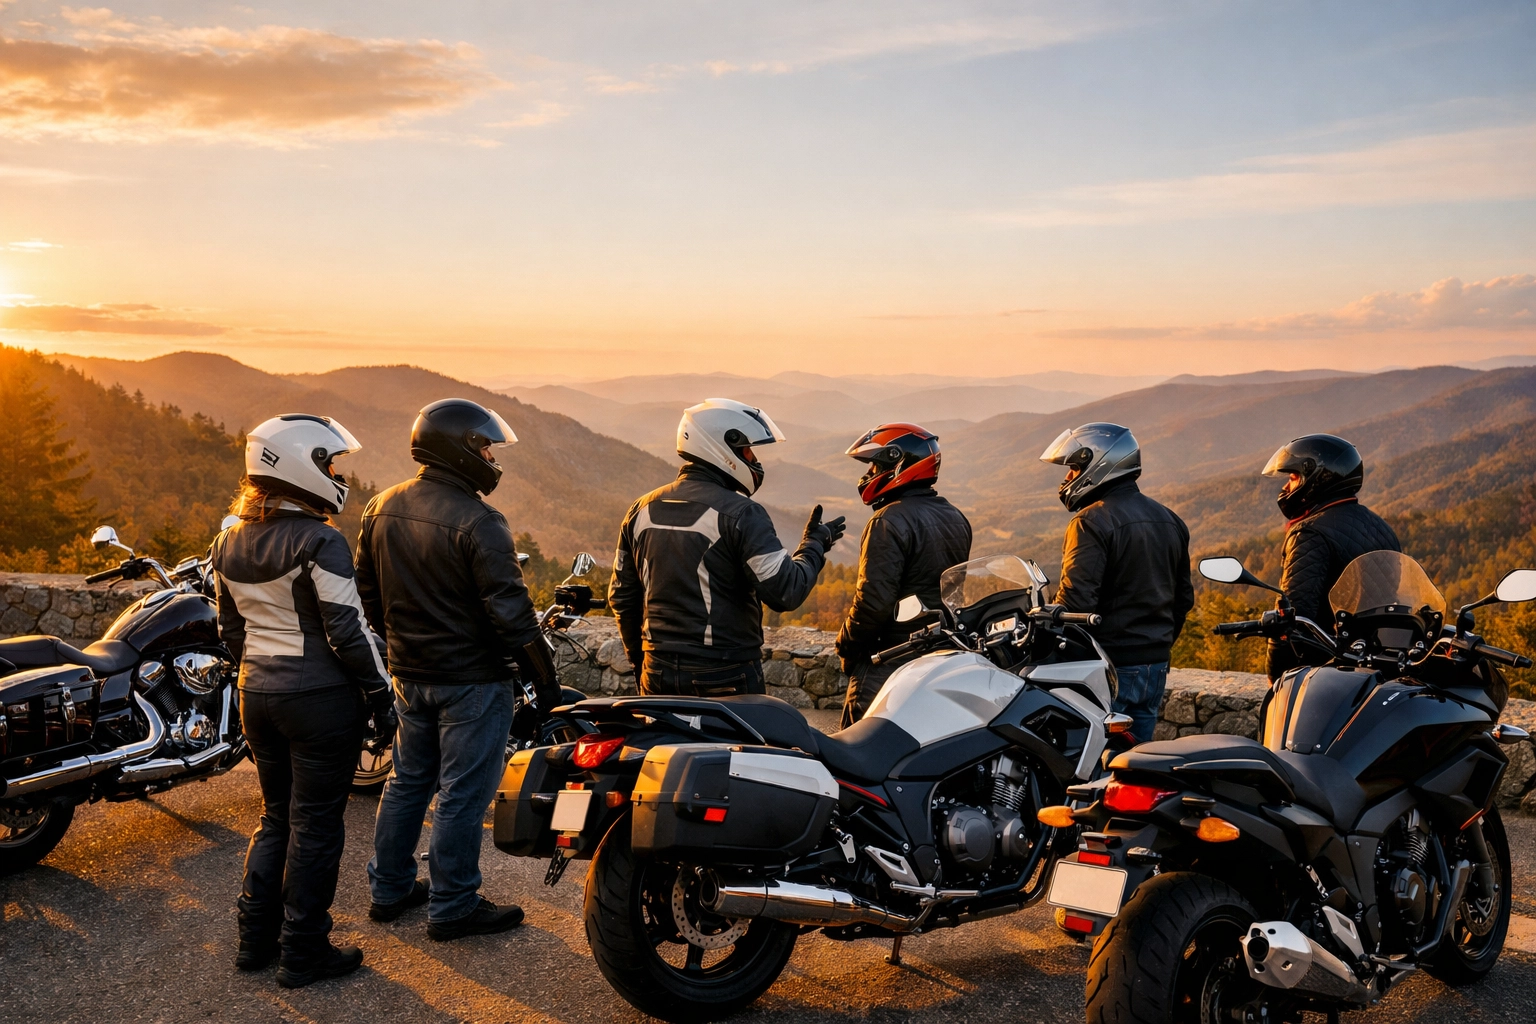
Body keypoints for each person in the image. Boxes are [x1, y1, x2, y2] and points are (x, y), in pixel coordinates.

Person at [355, 398, 560, 942]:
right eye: (486, 446)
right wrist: (546, 681)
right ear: (462, 448)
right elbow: (512, 615)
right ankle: (453, 905)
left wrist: (402, 648)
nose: (493, 456)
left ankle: (390, 888)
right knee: (463, 794)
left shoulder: (380, 507)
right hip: (472, 681)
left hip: (409, 674)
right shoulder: (480, 520)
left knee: (406, 784)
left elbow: (368, 598)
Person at [210, 414, 394, 988]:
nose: (338, 472)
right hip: (317, 699)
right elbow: (348, 629)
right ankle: (304, 951)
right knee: (315, 826)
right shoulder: (320, 539)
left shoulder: (227, 540)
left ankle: (253, 940)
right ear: (300, 465)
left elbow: (230, 630)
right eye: (330, 462)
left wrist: (256, 671)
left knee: (275, 817)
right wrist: (380, 693)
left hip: (255, 694)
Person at [609, 398, 845, 696]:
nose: (754, 460)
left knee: (660, 744)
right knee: (739, 745)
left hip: (656, 671)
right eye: (748, 450)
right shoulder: (742, 514)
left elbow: (622, 597)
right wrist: (814, 545)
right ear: (721, 447)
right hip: (726, 674)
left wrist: (639, 660)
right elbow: (786, 591)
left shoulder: (639, 510)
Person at [1040, 422, 1193, 743]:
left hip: (1110, 666)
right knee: (1136, 767)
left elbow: (1076, 605)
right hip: (1155, 665)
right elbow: (1183, 600)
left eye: (1073, 469)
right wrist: (1157, 646)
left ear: (1100, 464)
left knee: (1090, 764)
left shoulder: (1090, 521)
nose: (1067, 478)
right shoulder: (1169, 518)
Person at [834, 423, 972, 726]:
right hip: (937, 659)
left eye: (875, 465)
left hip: (888, 661)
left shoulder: (888, 521)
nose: (868, 473)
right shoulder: (955, 516)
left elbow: (872, 603)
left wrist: (846, 646)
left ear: (898, 465)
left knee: (853, 761)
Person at [1261, 433, 1400, 680]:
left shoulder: (1309, 533)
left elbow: (1293, 618)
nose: (1286, 488)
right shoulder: (1381, 528)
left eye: (1292, 477)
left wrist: (1276, 674)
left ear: (1315, 479)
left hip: (1328, 673)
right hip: (1377, 666)